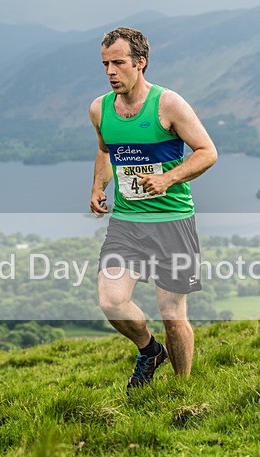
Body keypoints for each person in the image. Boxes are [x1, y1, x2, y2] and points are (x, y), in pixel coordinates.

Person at [89, 27, 218, 393]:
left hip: (172, 222)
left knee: (173, 317)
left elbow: (207, 152)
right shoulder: (100, 109)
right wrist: (99, 185)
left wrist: (168, 178)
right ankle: (149, 350)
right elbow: (105, 149)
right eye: (105, 64)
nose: (111, 71)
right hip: (127, 223)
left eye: (118, 63)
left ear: (140, 63)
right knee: (112, 301)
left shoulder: (168, 104)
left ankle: (182, 390)